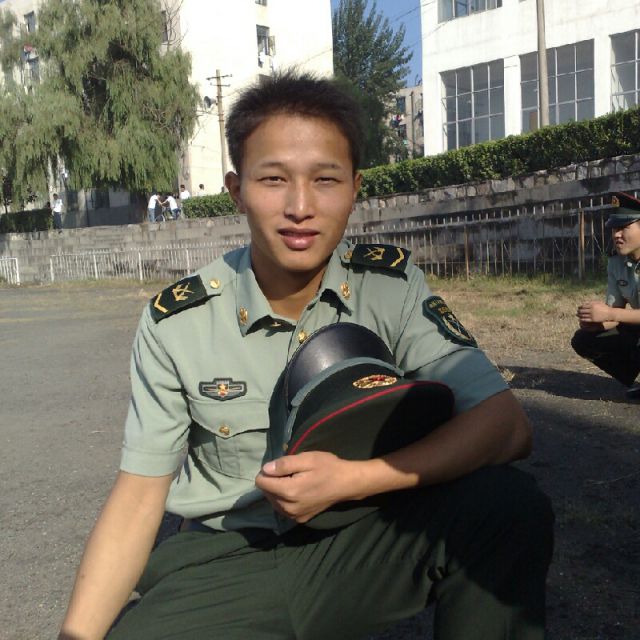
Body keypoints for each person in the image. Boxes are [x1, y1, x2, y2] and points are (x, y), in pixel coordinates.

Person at [59, 71, 553, 640]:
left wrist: (354, 480)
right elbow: (138, 498)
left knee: (507, 507)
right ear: (236, 190)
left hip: (361, 541)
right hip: (225, 557)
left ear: (355, 188)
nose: (300, 206)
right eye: (273, 179)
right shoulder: (178, 322)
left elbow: (506, 427)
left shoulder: (389, 289)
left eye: (325, 179)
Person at [572, 191, 640, 400]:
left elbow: (614, 313)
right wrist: (596, 322)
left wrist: (610, 314)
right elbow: (616, 312)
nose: (616, 235)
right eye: (614, 229)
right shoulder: (616, 263)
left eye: (623, 227)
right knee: (585, 340)